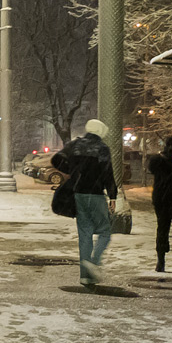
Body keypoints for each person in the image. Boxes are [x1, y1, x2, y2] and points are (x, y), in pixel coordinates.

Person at [56, 118, 117, 286]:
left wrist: (72, 173)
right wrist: (113, 196)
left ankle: (85, 276)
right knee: (105, 231)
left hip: (79, 194)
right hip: (96, 194)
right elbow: (108, 174)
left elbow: (56, 160)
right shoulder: (102, 148)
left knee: (85, 234)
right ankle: (94, 262)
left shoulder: (75, 145)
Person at [147, 137, 172, 273]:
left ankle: (161, 260)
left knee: (162, 229)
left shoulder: (159, 160)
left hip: (163, 198)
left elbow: (151, 168)